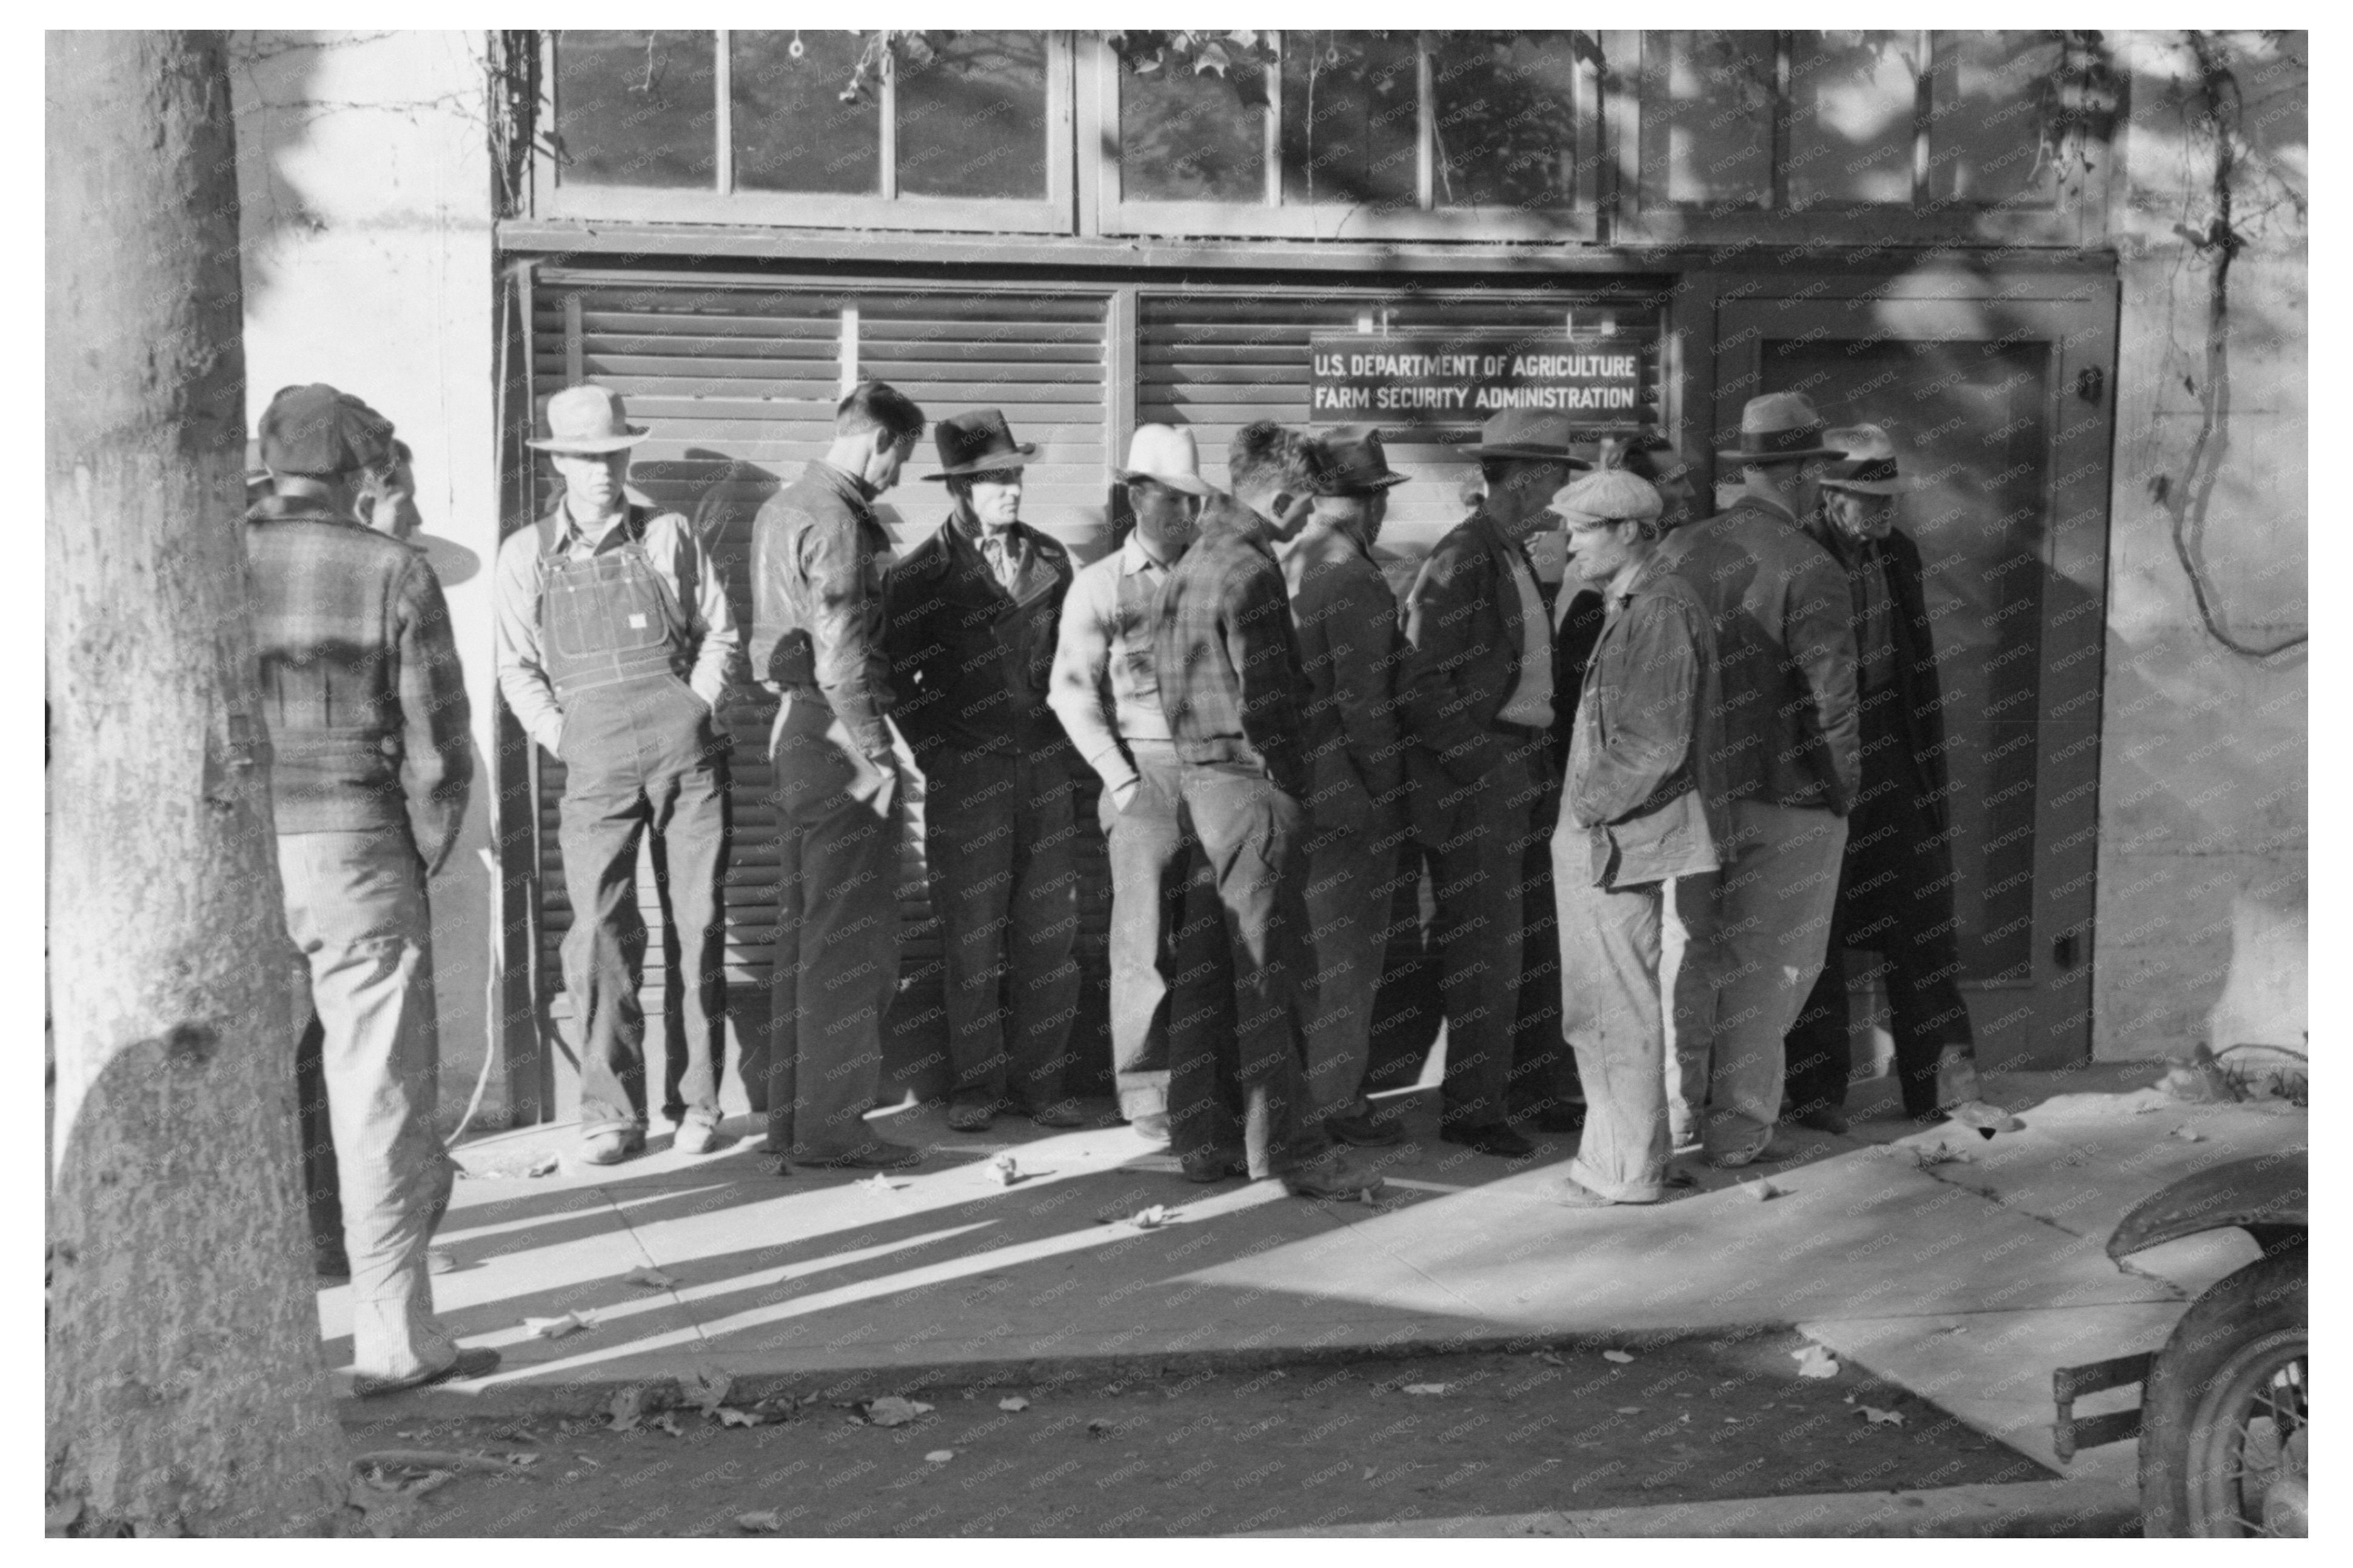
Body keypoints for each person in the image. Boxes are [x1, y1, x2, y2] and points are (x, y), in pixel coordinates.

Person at [245, 383, 495, 1395]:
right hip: (356, 849)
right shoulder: (391, 567)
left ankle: (251, 1342)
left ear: (270, 459)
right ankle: (392, 1336)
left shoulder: (216, 557)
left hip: (239, 856)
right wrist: (424, 846)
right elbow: (437, 740)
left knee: (247, 1093)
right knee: (377, 1093)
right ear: (359, 472)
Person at [495, 384, 740, 1166]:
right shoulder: (526, 553)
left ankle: (698, 1104)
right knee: (600, 932)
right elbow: (515, 668)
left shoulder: (666, 535)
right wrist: (562, 736)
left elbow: (720, 633)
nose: (603, 471)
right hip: (592, 758)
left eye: (613, 456)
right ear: (558, 462)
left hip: (684, 754)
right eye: (585, 458)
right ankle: (610, 1113)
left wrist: (694, 705)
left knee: (696, 924)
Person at [1152, 421, 1384, 1199]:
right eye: (1301, 506)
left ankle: (1205, 1137)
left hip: (1200, 785)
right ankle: (1287, 1149)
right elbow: (1272, 705)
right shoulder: (1250, 571)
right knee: (1270, 978)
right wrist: (1295, 786)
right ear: (1282, 497)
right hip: (1252, 792)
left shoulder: (1190, 560)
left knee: (1210, 975)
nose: (1301, 523)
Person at [1780, 426, 2021, 1134]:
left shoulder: (1897, 554)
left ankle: (1942, 1086)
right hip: (1816, 752)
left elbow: (1914, 667)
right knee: (1814, 929)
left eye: (1888, 498)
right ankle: (1814, 1092)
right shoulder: (1798, 554)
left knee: (1921, 922)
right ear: (1829, 494)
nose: (1882, 512)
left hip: (1886, 746)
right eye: (1866, 498)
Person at [1654, 391, 1861, 1168]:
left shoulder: (1679, 550)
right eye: (1818, 470)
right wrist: (1842, 797)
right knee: (1767, 964)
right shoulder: (1811, 566)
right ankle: (1737, 1128)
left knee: (1693, 952)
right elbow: (1833, 703)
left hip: (1691, 794)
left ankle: (1675, 1114)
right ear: (1804, 471)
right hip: (1788, 796)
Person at [884, 410, 1085, 1133]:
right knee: (970, 941)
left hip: (1044, 770)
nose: (1010, 489)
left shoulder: (1054, 563)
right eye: (992, 478)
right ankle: (975, 1088)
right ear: (960, 490)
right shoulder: (921, 575)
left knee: (1048, 936)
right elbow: (890, 678)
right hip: (967, 779)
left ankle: (1044, 1085)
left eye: (1013, 474)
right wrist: (936, 750)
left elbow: (1078, 665)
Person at [1397, 409, 1588, 1160]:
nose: (1559, 495)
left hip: (1522, 769)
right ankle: (1473, 1108)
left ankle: (1533, 1088)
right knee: (1487, 950)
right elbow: (1419, 684)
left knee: (1533, 943)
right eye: (1556, 480)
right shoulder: (1464, 555)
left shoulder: (1503, 550)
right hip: (1483, 784)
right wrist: (1480, 768)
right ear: (1532, 477)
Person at [749, 380, 929, 1170]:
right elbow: (846, 659)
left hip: (794, 734)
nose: (896, 480)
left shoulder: (782, 506)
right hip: (841, 742)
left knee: (807, 933)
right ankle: (833, 1126)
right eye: (901, 460)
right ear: (880, 441)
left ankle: (793, 1118)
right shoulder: (839, 520)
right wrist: (879, 759)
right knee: (851, 941)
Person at [1542, 470, 1728, 1207]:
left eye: (1581, 528)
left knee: (1610, 1006)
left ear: (1628, 532)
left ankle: (1625, 1169)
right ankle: (1618, 1158)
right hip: (1616, 838)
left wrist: (1585, 807)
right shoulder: (1640, 600)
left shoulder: (1655, 608)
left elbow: (1653, 741)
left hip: (1614, 840)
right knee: (1603, 1005)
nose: (1568, 541)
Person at [1048, 424, 1212, 1148]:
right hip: (1142, 773)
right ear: (1136, 495)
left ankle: (1209, 1079)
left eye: (1191, 500)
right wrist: (1119, 781)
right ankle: (1146, 1090)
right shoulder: (1100, 585)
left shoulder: (1214, 576)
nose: (1182, 514)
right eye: (1168, 498)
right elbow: (1070, 692)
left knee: (1213, 937)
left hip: (1214, 773)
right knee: (1142, 945)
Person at [1278, 425, 1412, 1146]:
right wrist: (1389, 790)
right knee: (1344, 955)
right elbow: (1365, 703)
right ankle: (1334, 1102)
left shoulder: (1292, 555)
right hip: (1347, 791)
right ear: (1368, 503)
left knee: (1307, 950)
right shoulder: (1353, 574)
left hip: (1299, 784)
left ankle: (1304, 1091)